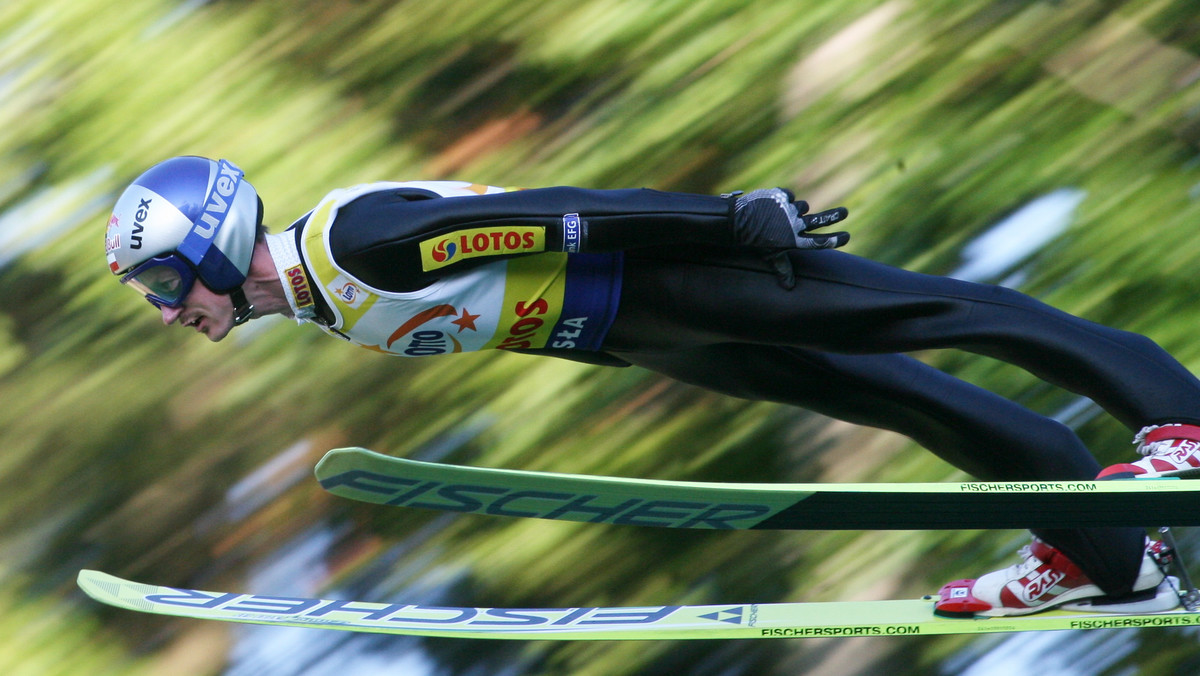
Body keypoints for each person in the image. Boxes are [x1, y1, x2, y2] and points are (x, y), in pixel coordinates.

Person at [104, 155, 1200, 617]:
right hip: (642, 334)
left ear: (211, 242)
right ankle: (1107, 559)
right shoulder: (326, 298)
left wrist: (726, 218)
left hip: (673, 275)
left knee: (944, 315)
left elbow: (553, 214)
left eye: (162, 281)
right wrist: (637, 345)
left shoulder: (357, 244)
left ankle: (1182, 423)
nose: (165, 311)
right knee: (906, 398)